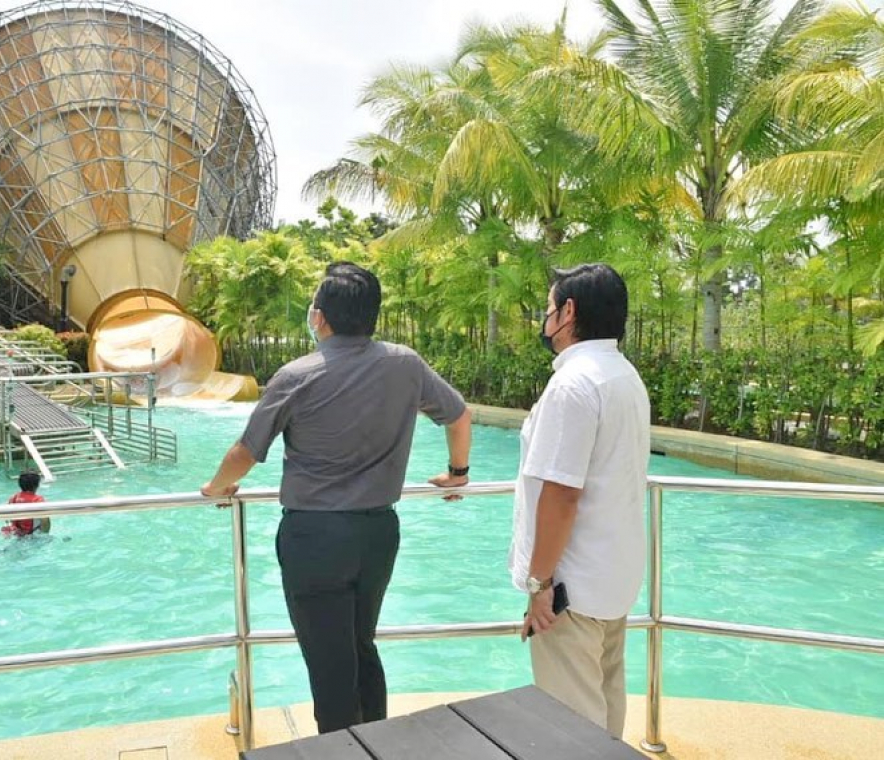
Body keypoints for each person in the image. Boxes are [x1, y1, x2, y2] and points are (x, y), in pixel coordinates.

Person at [201, 262, 472, 734]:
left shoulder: (295, 375)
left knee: (330, 665)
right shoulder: (404, 363)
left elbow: (246, 452)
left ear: (319, 317)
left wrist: (216, 486)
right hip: (378, 533)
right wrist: (458, 472)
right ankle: (375, 745)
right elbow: (459, 416)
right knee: (361, 646)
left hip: (315, 537)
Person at [511, 263, 650, 737]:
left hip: (571, 588)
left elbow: (561, 492)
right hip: (612, 579)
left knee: (570, 729)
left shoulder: (573, 384)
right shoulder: (623, 376)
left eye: (548, 309)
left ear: (568, 313)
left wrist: (539, 584)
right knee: (607, 713)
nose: (545, 319)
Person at [2, 471, 51, 537]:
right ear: (37, 485)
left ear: (20, 484)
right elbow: (45, 521)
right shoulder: (38, 500)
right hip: (32, 535)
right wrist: (45, 535)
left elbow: (7, 519)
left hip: (16, 533)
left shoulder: (13, 498)